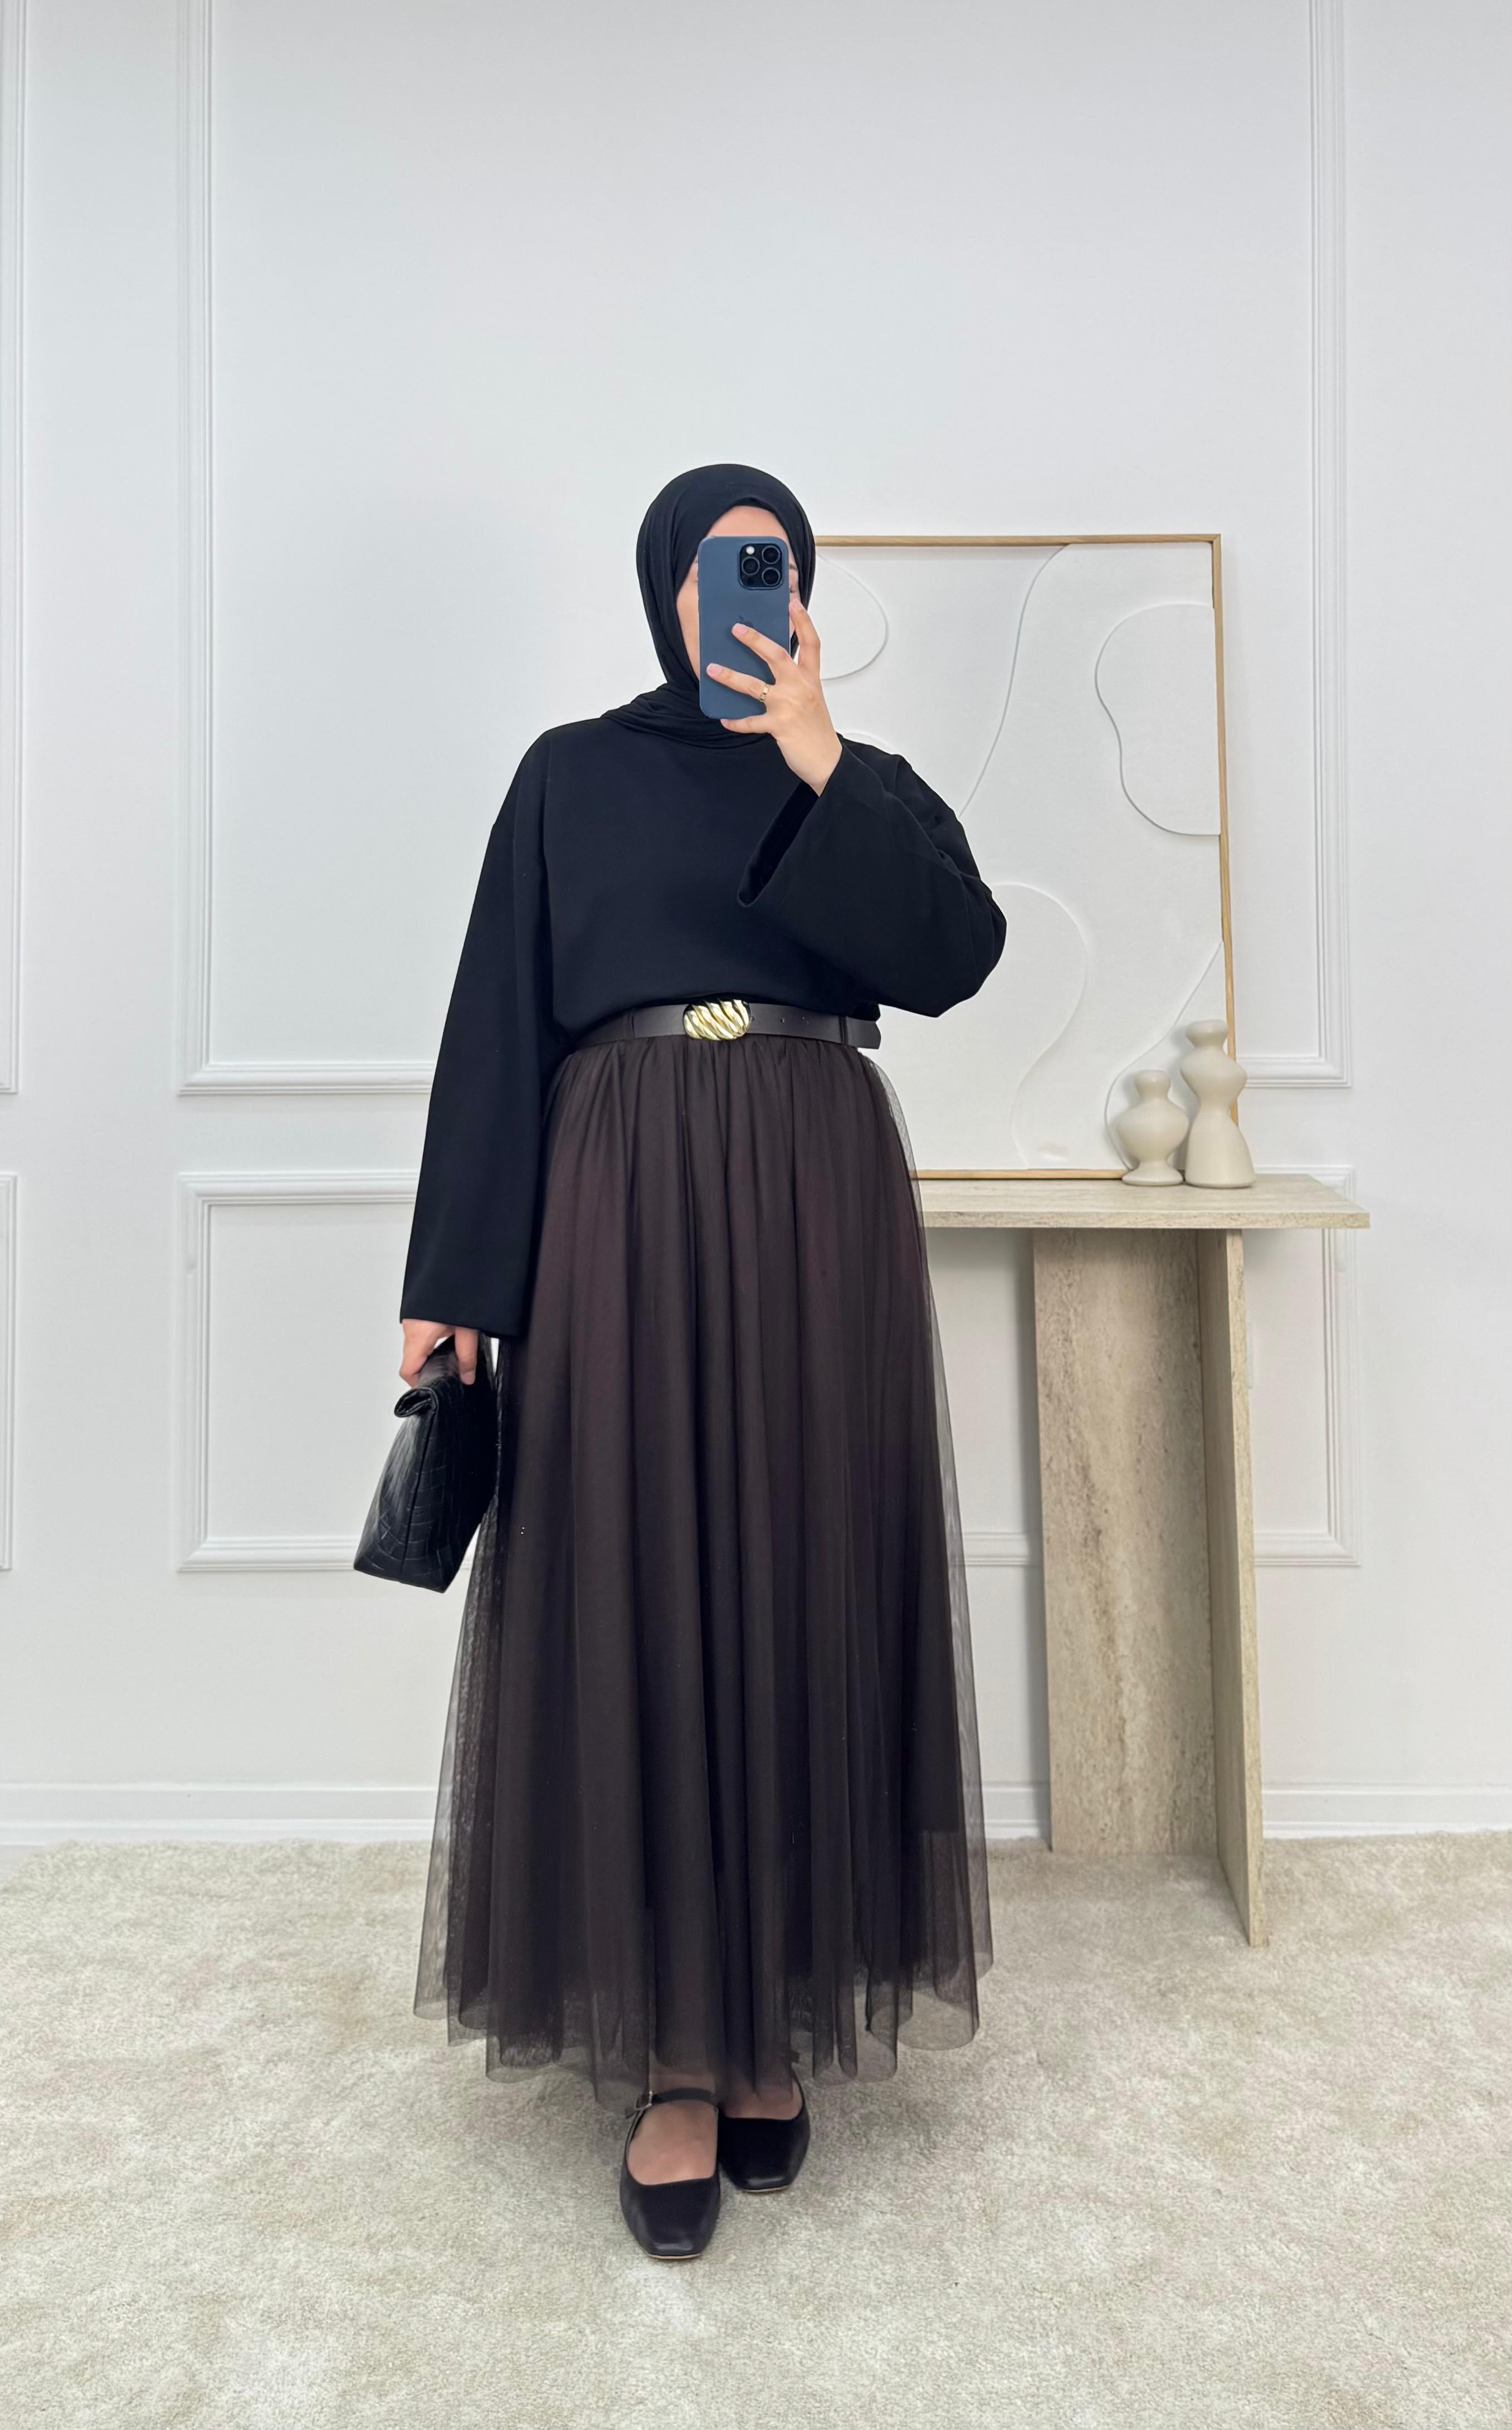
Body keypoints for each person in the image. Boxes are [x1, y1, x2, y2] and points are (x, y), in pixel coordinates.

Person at [398, 462, 1007, 2261]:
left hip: (819, 1194)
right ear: (665, 587)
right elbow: (496, 1025)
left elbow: (954, 956)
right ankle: (673, 2049)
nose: (754, 591)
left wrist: (817, 756)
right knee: (640, 1578)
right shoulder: (568, 776)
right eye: (724, 567)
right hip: (623, 1196)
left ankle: (770, 2021)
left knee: (804, 1576)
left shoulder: (861, 781)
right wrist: (452, 1281)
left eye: (780, 564)